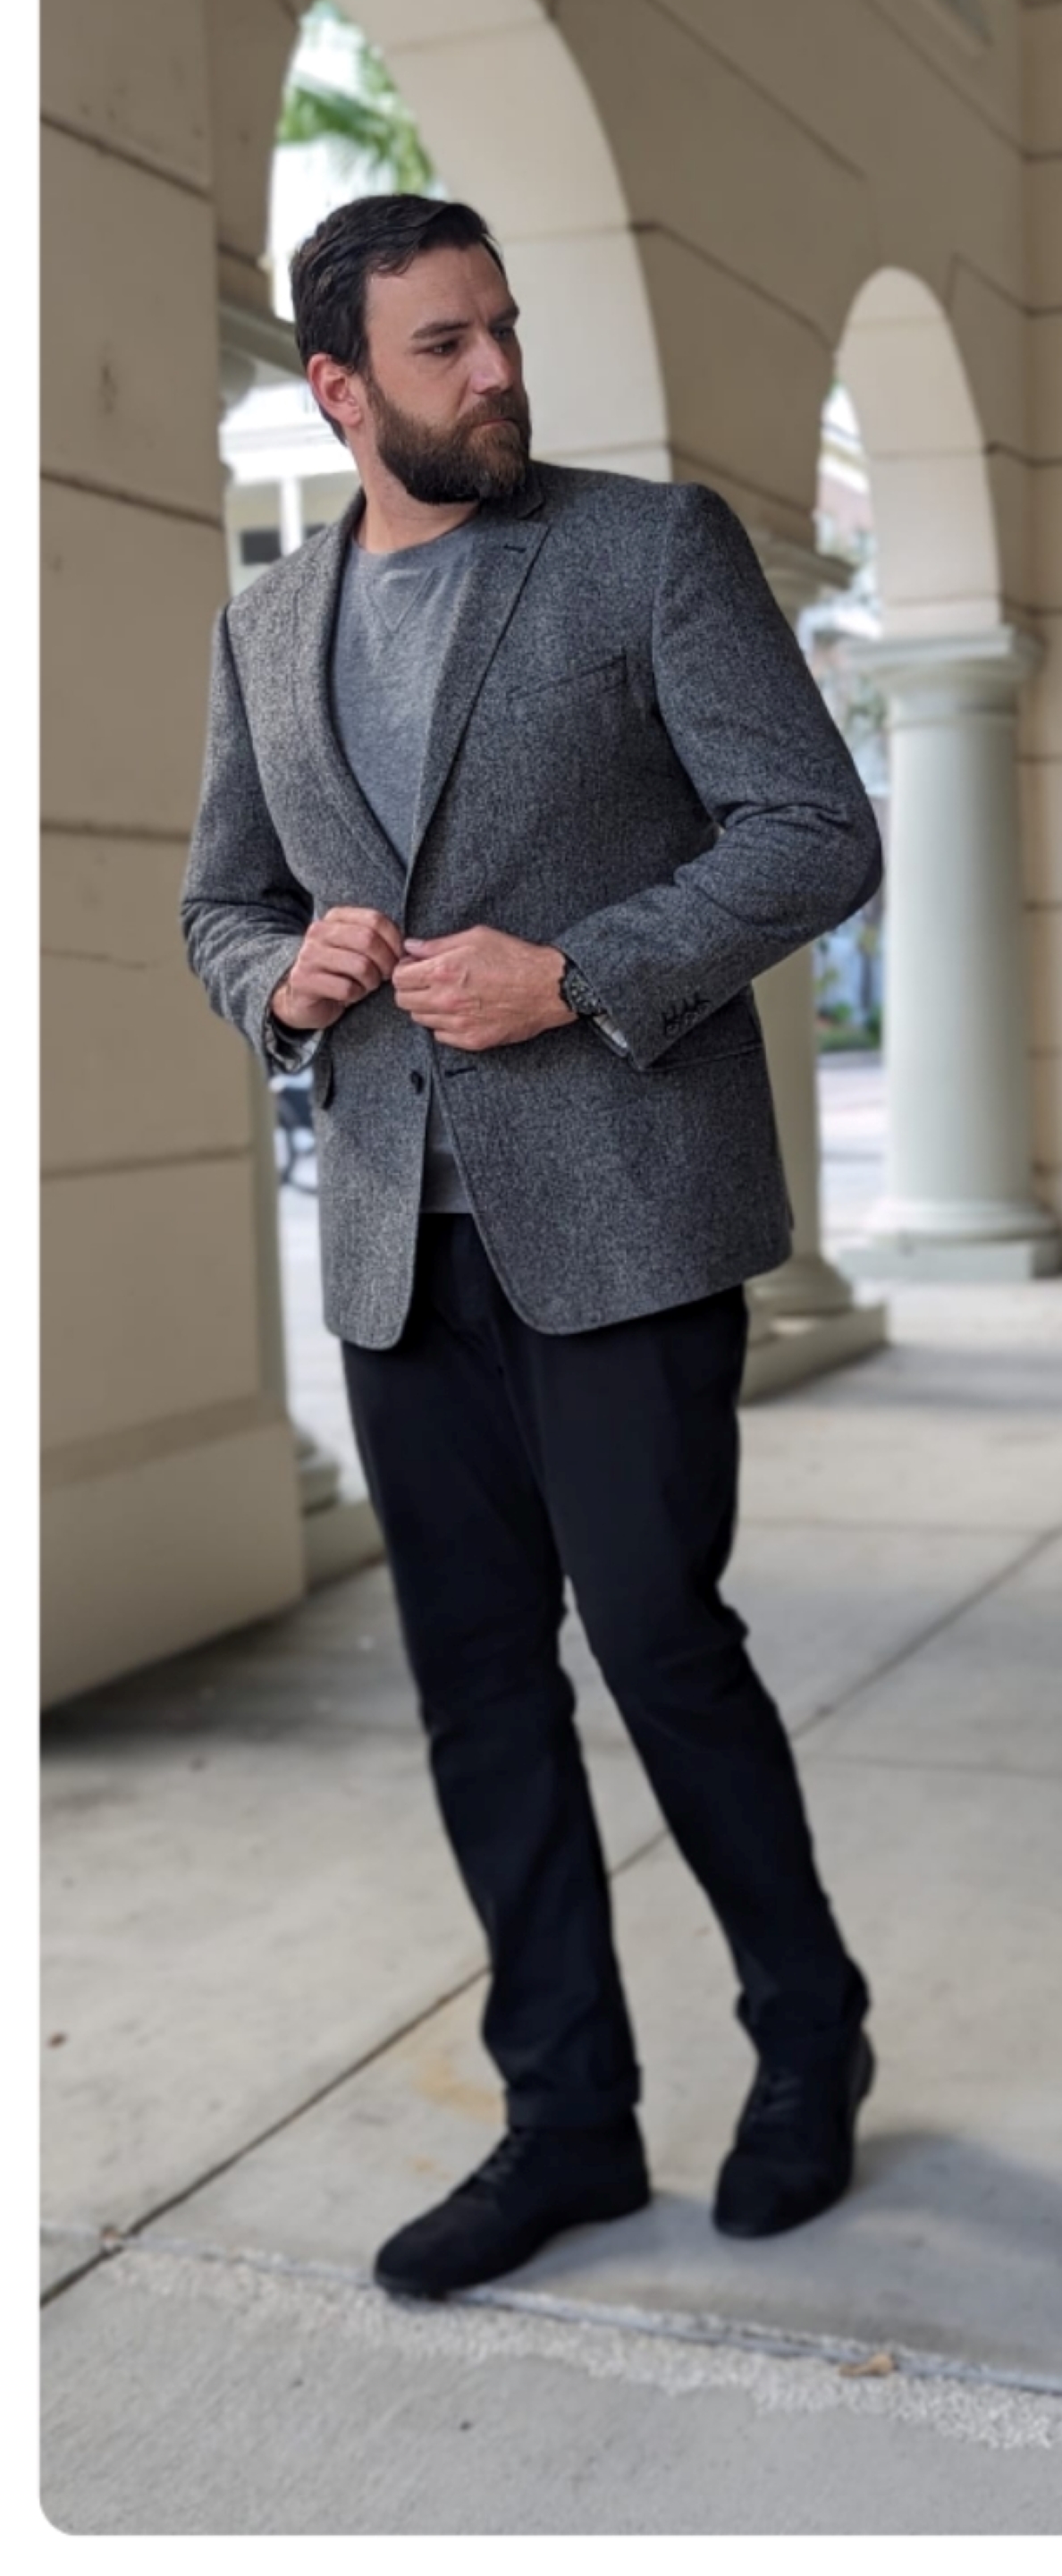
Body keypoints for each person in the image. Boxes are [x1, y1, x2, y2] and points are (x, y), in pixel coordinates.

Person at [181, 195, 882, 2300]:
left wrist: (579, 970)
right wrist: (282, 978)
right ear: (338, 391)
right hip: (400, 1244)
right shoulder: (264, 624)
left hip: (624, 1223)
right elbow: (220, 902)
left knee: (662, 1649)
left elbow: (815, 829)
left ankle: (805, 2038)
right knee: (478, 1691)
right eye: (440, 348)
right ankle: (566, 2118)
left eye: (500, 331)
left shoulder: (643, 551)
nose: (494, 373)